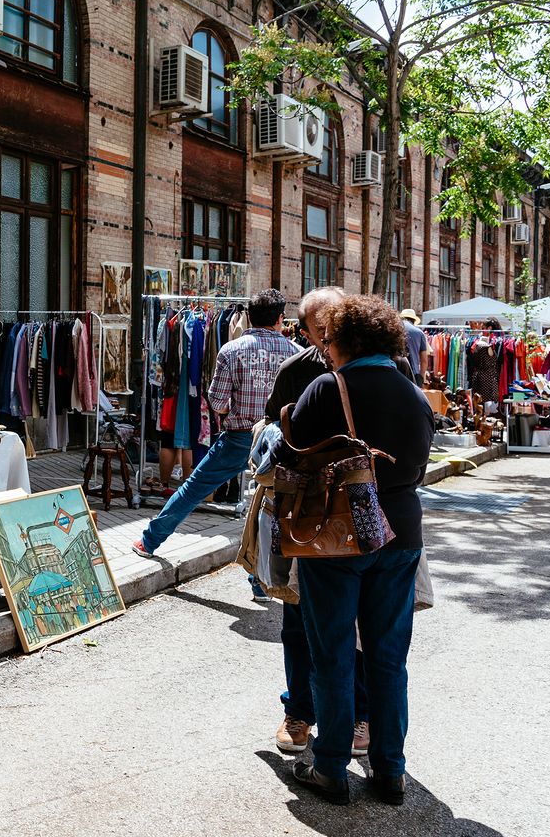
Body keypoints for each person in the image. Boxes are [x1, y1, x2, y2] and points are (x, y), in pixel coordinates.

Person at [285, 295, 432, 806]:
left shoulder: (329, 388)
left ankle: (330, 767)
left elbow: (291, 455)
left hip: (336, 536)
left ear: (342, 339)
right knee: (389, 658)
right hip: (401, 534)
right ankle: (390, 770)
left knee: (332, 653)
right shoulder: (414, 394)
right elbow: (418, 467)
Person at [260, 288, 370, 757]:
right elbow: (270, 435)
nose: (328, 340)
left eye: (336, 328)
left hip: (363, 515)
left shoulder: (381, 367)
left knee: (362, 624)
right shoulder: (296, 372)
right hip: (306, 514)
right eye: (319, 331)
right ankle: (300, 712)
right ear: (302, 331)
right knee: (296, 617)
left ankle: (362, 718)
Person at [134, 288, 298, 558]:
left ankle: (149, 542)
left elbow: (218, 402)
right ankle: (260, 580)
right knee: (271, 501)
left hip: (239, 436)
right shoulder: (296, 353)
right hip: (279, 439)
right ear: (280, 318)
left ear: (249, 316)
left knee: (193, 488)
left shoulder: (231, 350)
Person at [399, 308, 429, 384]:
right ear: (414, 320)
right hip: (413, 373)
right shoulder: (419, 333)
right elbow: (424, 360)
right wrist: (421, 377)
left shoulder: (394, 329)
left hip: (396, 370)